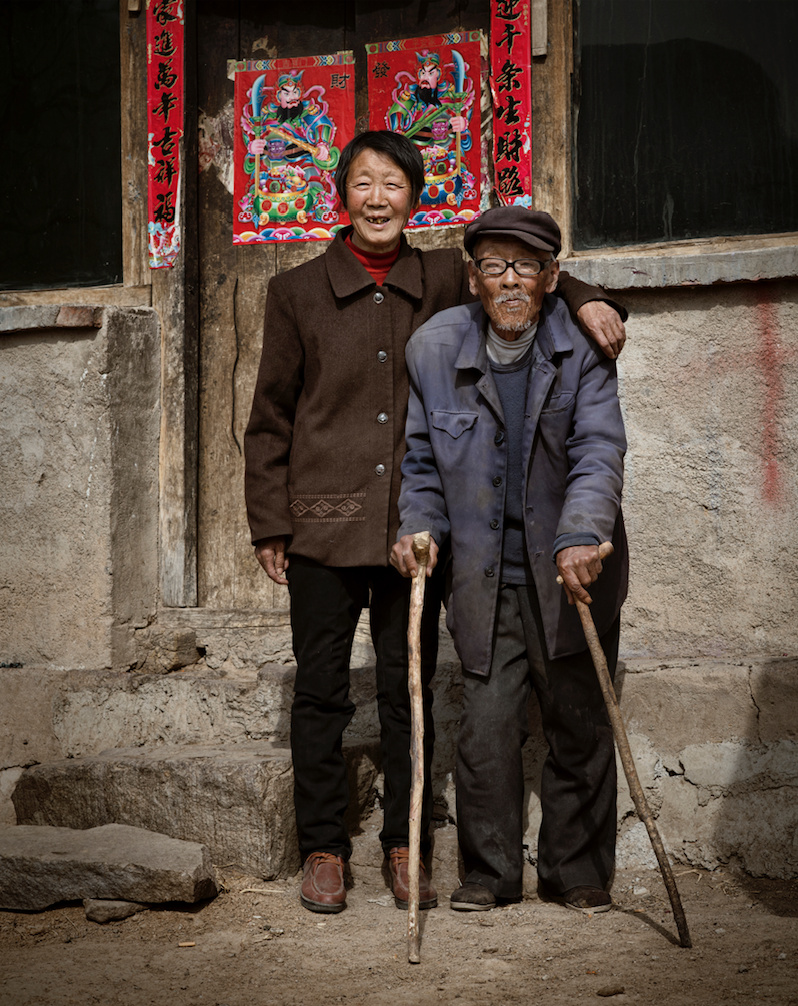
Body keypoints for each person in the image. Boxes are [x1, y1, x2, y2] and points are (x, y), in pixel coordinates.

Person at [244, 133, 627, 915]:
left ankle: (431, 848)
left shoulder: (457, 282)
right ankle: (338, 849)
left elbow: (527, 272)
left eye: (393, 183)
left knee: (427, 696)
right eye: (363, 183)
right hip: (347, 530)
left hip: (480, 549)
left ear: (415, 199)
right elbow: (273, 417)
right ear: (341, 195)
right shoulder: (304, 293)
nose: (377, 197)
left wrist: (590, 295)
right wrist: (269, 522)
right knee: (341, 697)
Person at [391, 206, 628, 914]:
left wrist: (583, 532)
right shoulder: (433, 348)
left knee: (580, 723)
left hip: (572, 573)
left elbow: (598, 449)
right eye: (494, 266)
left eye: (526, 266)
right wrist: (418, 528)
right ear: (473, 278)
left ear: (553, 277)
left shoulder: (580, 347)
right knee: (486, 733)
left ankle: (575, 870)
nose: (511, 281)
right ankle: (489, 873)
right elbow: (423, 462)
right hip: (483, 578)